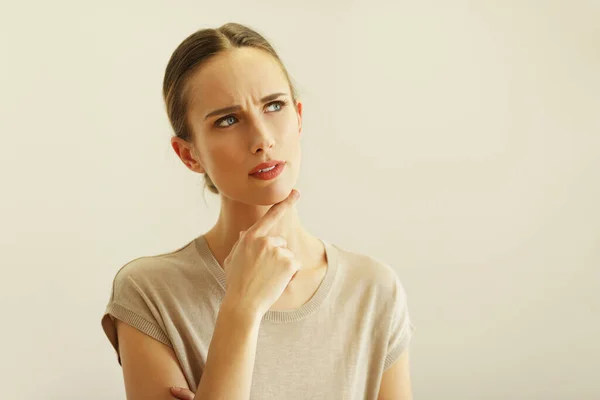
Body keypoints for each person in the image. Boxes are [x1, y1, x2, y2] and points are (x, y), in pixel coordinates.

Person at [101, 22, 415, 400]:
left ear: (299, 117)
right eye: (228, 120)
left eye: (274, 106)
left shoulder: (372, 290)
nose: (263, 139)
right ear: (189, 154)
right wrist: (241, 309)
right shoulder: (150, 293)